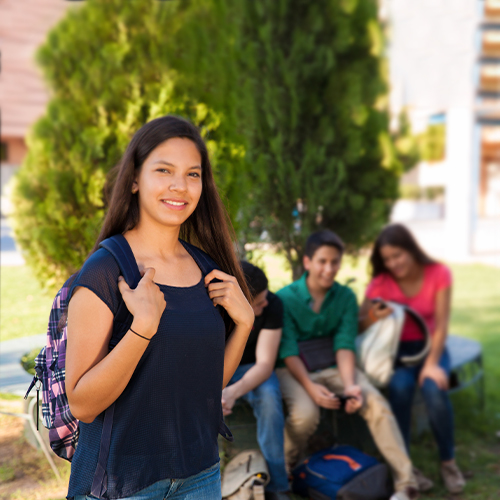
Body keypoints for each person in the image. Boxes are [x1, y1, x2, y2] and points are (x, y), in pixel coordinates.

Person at [65, 115, 254, 500]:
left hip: (200, 475)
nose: (179, 186)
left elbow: (204, 385)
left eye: (193, 174)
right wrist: (142, 328)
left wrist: (245, 324)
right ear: (135, 179)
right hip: (121, 485)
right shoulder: (107, 269)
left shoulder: (206, 269)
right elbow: (83, 405)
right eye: (164, 170)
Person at [276, 230, 418, 500]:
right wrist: (311, 388)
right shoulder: (285, 298)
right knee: (305, 414)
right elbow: (288, 351)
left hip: (333, 365)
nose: (329, 269)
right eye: (322, 261)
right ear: (307, 262)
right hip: (293, 369)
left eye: (335, 262)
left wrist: (351, 386)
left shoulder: (345, 298)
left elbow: (344, 345)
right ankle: (284, 470)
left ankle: (406, 483)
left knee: (375, 403)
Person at [359, 223, 466, 495]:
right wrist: (373, 315)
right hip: (397, 352)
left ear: (411, 249)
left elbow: (442, 324)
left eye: (398, 255)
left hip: (433, 347)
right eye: (388, 259)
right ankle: (406, 469)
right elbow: (360, 324)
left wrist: (431, 365)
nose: (394, 263)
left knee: (434, 389)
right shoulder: (380, 283)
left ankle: (448, 462)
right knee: (400, 389)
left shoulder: (438, 273)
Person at [222, 261, 290, 500]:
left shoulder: (273, 306)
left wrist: (232, 392)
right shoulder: (214, 310)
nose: (266, 304)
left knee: (270, 400)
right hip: (218, 369)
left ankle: (279, 486)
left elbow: (264, 364)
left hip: (253, 369)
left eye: (264, 298)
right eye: (258, 303)